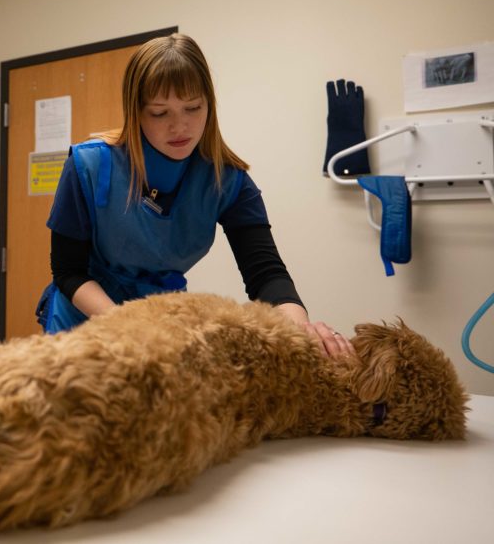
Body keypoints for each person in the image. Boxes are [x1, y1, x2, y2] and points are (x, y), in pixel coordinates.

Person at [36, 33, 352, 357]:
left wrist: (301, 329)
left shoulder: (228, 181)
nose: (180, 126)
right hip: (84, 321)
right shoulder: (88, 165)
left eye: (192, 108)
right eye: (160, 113)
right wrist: (128, 326)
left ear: (209, 106)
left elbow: (266, 275)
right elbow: (68, 271)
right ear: (136, 112)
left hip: (158, 323)